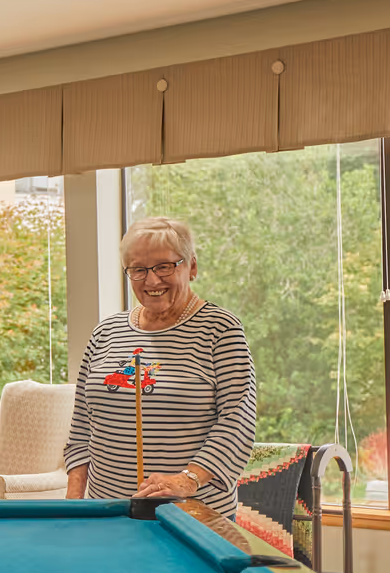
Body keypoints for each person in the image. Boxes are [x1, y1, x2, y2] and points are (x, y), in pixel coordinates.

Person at [63, 216, 255, 517]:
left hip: (191, 517)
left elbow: (237, 423)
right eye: (138, 270)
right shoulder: (106, 332)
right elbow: (81, 428)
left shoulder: (220, 329)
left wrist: (186, 480)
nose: (152, 281)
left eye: (164, 267)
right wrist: (74, 500)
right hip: (107, 513)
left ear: (191, 266)